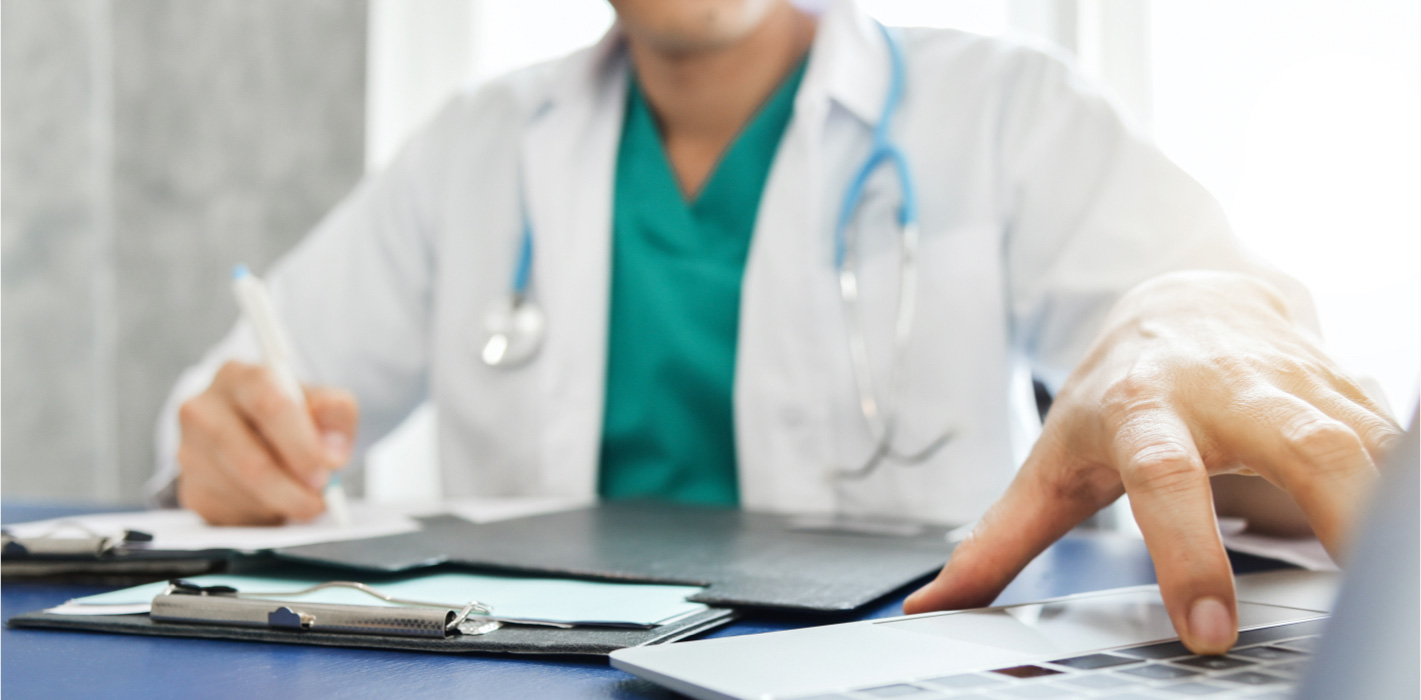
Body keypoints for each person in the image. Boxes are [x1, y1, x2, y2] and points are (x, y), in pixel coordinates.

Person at [150, 0, 1402, 656]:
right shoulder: (471, 152)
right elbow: (230, 404)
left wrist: (1190, 357)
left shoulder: (1002, 111)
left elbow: (1230, 361)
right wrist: (225, 447)